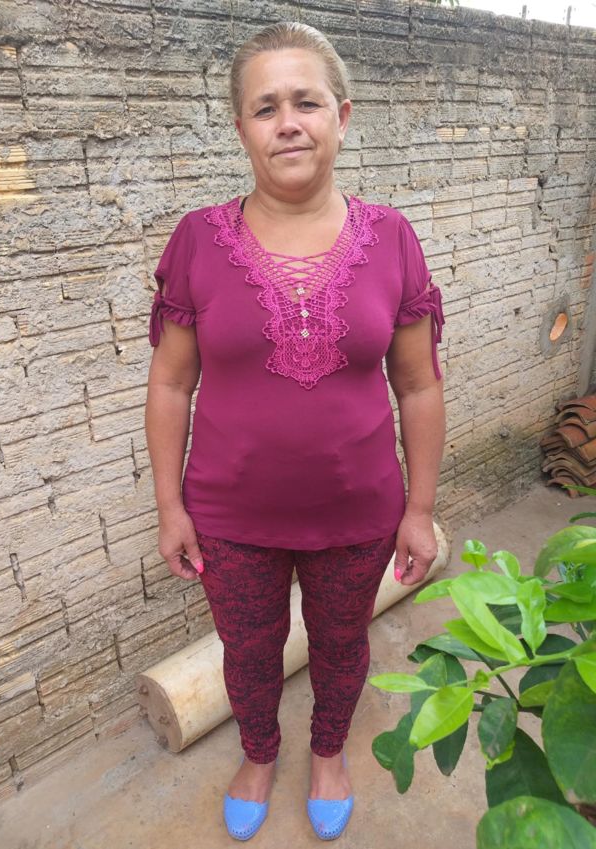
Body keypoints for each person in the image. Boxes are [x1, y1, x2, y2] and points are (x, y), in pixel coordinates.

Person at [145, 21, 445, 842]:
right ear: (241, 127)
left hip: (359, 512)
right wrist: (170, 507)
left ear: (341, 117)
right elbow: (170, 382)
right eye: (266, 106)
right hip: (231, 516)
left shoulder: (392, 238)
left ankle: (328, 751)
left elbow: (419, 384)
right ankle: (258, 751)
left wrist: (420, 509)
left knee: (342, 641)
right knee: (248, 649)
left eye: (306, 103)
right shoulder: (199, 240)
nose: (288, 123)